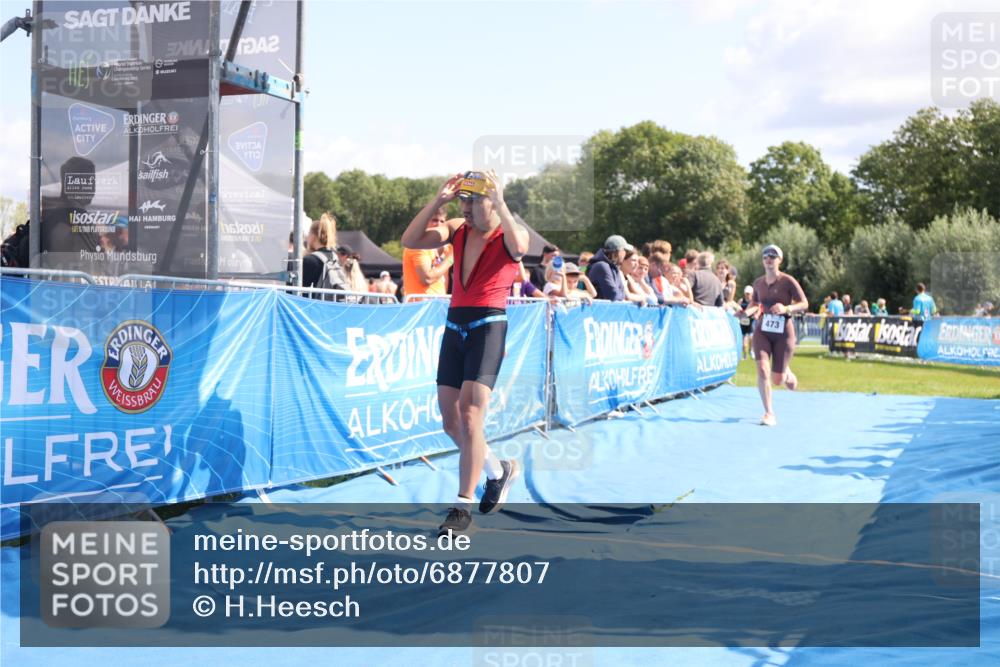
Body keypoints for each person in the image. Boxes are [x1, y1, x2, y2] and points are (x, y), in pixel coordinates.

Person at [401, 170, 530, 536]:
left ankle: (461, 506)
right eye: (464, 200)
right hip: (455, 324)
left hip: (487, 326)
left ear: (492, 201)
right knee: (450, 422)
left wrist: (501, 201)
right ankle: (497, 471)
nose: (467, 207)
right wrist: (439, 201)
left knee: (471, 415)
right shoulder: (457, 227)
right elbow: (410, 240)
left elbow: (520, 249)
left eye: (475, 200)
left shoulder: (507, 233)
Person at [744, 244, 808, 427]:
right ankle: (769, 413)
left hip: (783, 333)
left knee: (778, 380)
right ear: (763, 260)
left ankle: (786, 372)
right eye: (765, 255)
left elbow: (804, 303)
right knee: (763, 370)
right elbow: (755, 303)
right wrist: (746, 313)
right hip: (763, 331)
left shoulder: (788, 281)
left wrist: (786, 308)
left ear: (780, 260)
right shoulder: (758, 283)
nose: (769, 258)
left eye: (773, 255)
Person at [402, 207, 453, 297]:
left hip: (439, 303)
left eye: (442, 221)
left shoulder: (448, 248)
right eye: (434, 220)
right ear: (424, 222)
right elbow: (427, 279)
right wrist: (451, 258)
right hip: (420, 306)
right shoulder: (417, 245)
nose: (439, 225)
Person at [301, 213, 349, 296]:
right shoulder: (334, 257)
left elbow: (300, 291)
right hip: (330, 305)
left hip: (313, 307)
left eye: (308, 234)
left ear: (313, 236)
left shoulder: (310, 261)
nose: (307, 237)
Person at [588, 235, 630, 301]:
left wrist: (622, 294)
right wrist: (622, 295)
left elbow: (621, 292)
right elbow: (614, 295)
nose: (625, 253)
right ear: (618, 252)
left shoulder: (614, 267)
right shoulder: (602, 266)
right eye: (624, 250)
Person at [738, 285, 755, 358]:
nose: (747, 295)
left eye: (749, 293)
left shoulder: (753, 301)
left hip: (751, 323)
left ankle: (751, 351)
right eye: (746, 293)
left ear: (752, 294)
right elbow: (737, 309)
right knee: (744, 342)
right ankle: (745, 355)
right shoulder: (741, 301)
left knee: (751, 339)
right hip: (743, 323)